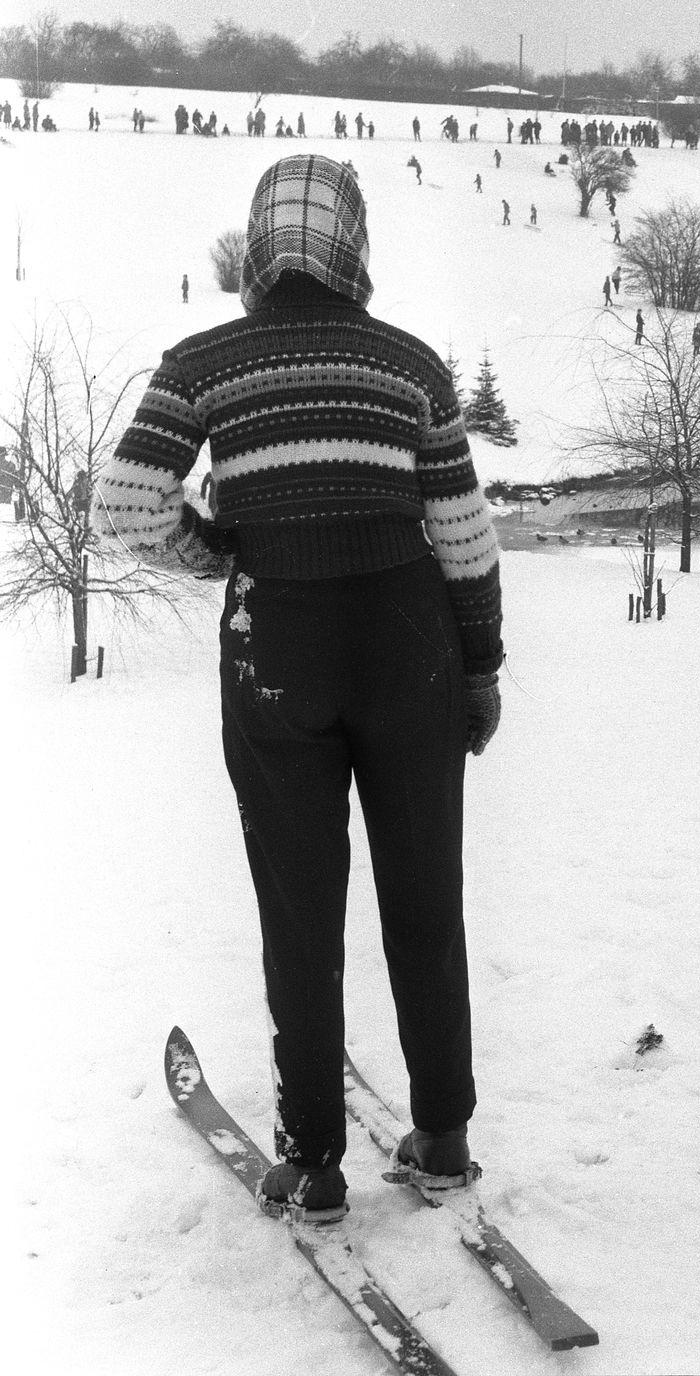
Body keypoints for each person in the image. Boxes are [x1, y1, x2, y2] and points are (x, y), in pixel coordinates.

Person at [92, 154, 503, 1222]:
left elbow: (126, 504)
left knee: (299, 910)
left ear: (259, 243)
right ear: (354, 245)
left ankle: (313, 1161)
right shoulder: (410, 365)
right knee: (426, 897)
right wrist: (482, 666)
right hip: (411, 646)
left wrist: (219, 551)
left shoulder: (204, 361)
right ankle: (443, 1135)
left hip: (276, 649)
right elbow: (463, 536)